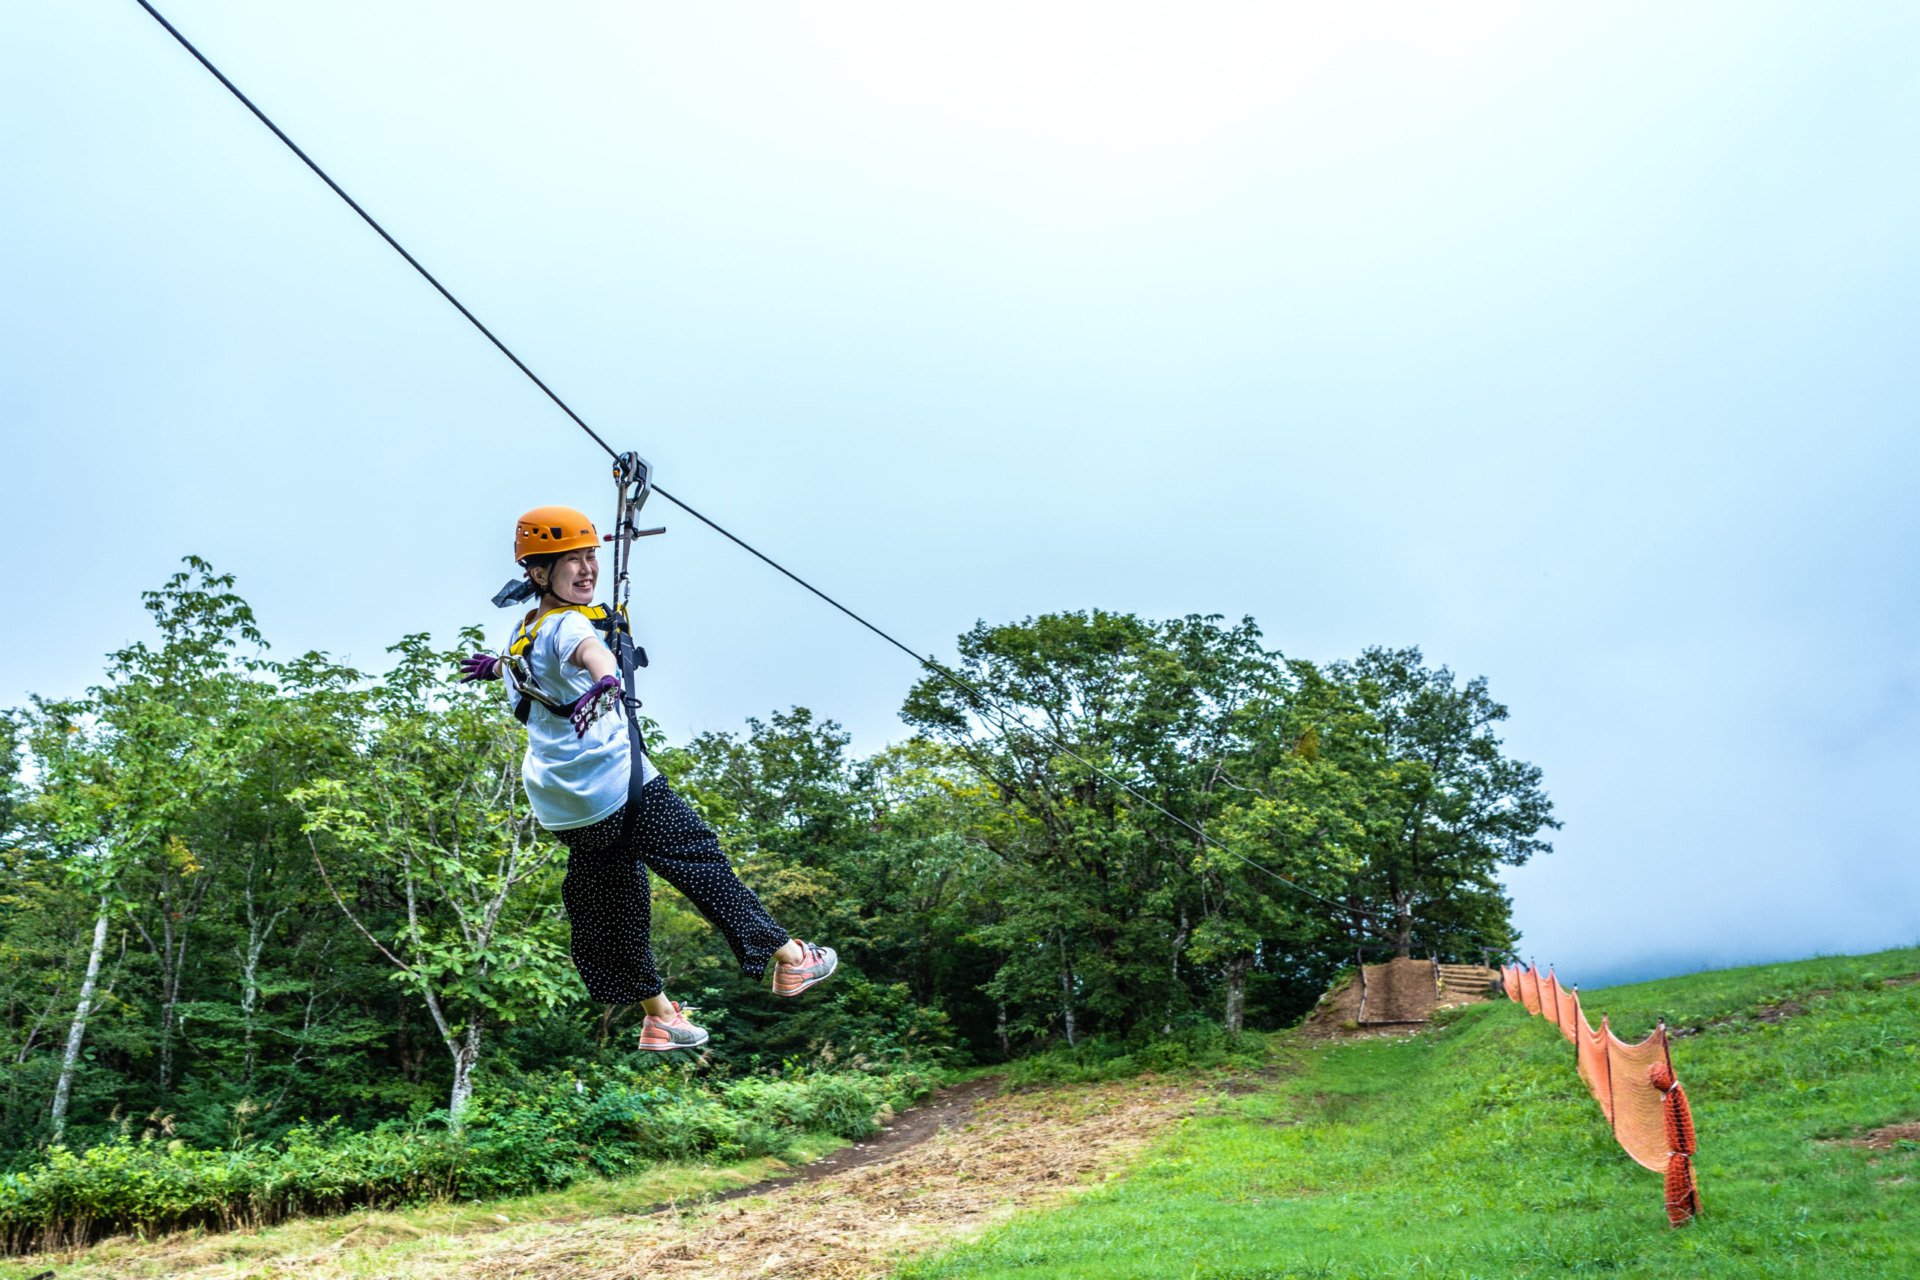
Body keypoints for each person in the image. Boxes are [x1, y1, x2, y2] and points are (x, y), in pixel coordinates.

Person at [459, 505, 835, 1051]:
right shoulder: (567, 624)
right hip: (617, 785)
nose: (588, 569)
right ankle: (792, 960)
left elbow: (545, 666)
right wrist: (606, 678)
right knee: (699, 861)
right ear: (539, 574)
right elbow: (592, 651)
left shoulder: (524, 630)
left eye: (591, 556)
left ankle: (658, 1015)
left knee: (617, 899)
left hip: (563, 804)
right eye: (573, 561)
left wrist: (497, 667)